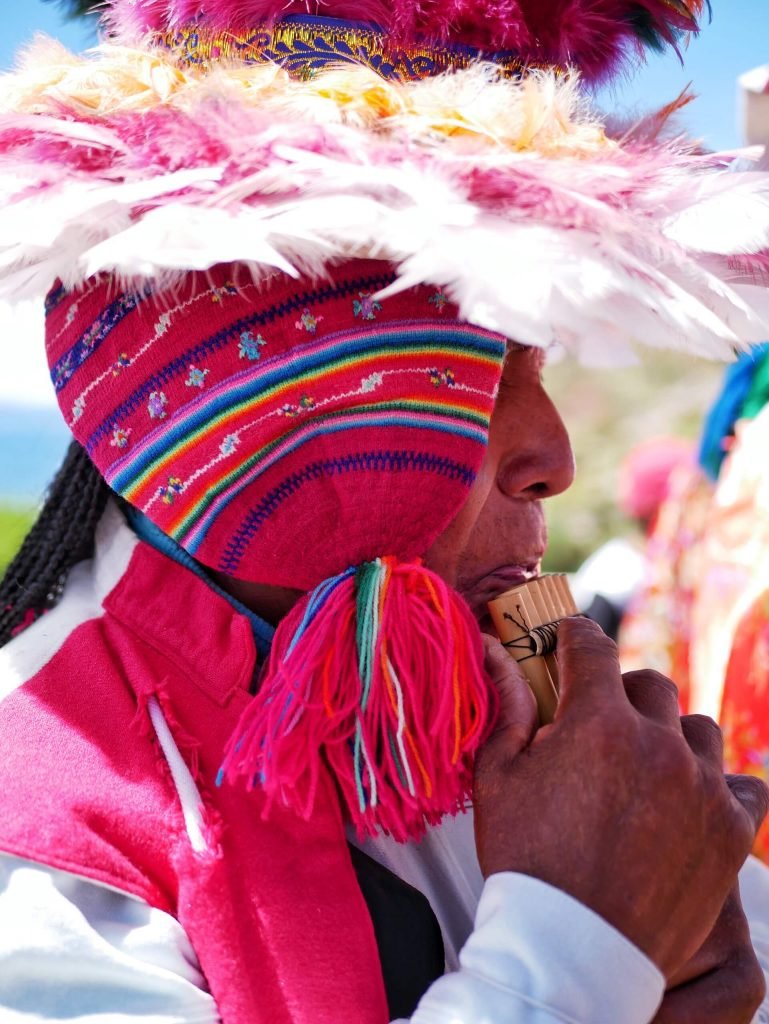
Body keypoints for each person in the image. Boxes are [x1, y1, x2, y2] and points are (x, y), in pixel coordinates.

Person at [1, 2, 769, 1022]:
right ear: (295, 411)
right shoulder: (43, 835)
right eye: (478, 372)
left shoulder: (463, 692)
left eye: (535, 363)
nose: (553, 459)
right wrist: (579, 944)